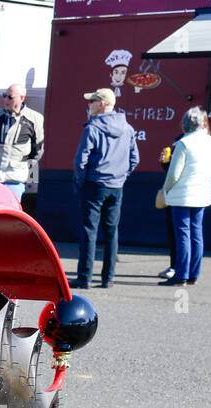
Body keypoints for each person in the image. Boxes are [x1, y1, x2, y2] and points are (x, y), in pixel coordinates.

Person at [73, 87, 139, 289]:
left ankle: (85, 278)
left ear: (102, 104)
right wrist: (121, 177)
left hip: (94, 184)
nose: (89, 104)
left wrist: (80, 182)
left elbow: (80, 160)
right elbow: (134, 158)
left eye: (92, 101)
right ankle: (108, 278)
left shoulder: (92, 128)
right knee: (111, 232)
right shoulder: (127, 128)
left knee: (89, 231)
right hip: (116, 186)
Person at [161, 107, 211, 286]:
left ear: (185, 124)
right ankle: (194, 273)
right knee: (197, 233)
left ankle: (181, 275)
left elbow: (174, 174)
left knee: (182, 235)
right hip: (202, 193)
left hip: (182, 195)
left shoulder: (183, 144)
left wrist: (165, 190)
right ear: (202, 123)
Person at [0, 83, 44, 201]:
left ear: (22, 98)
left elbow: (36, 153)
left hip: (15, 180)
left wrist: (31, 185)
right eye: (4, 95)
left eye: (10, 97)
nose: (5, 100)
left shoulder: (35, 119)